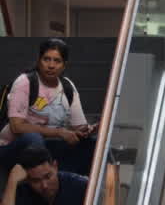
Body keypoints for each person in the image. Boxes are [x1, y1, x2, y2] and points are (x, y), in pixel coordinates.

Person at [0, 38, 97, 175]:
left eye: (57, 61)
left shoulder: (67, 87)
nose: (51, 65)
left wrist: (89, 130)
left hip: (48, 146)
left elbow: (78, 127)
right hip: (12, 147)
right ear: (39, 61)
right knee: (33, 138)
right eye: (47, 59)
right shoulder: (25, 82)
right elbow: (17, 127)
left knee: (90, 144)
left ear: (64, 65)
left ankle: (79, 188)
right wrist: (59, 132)